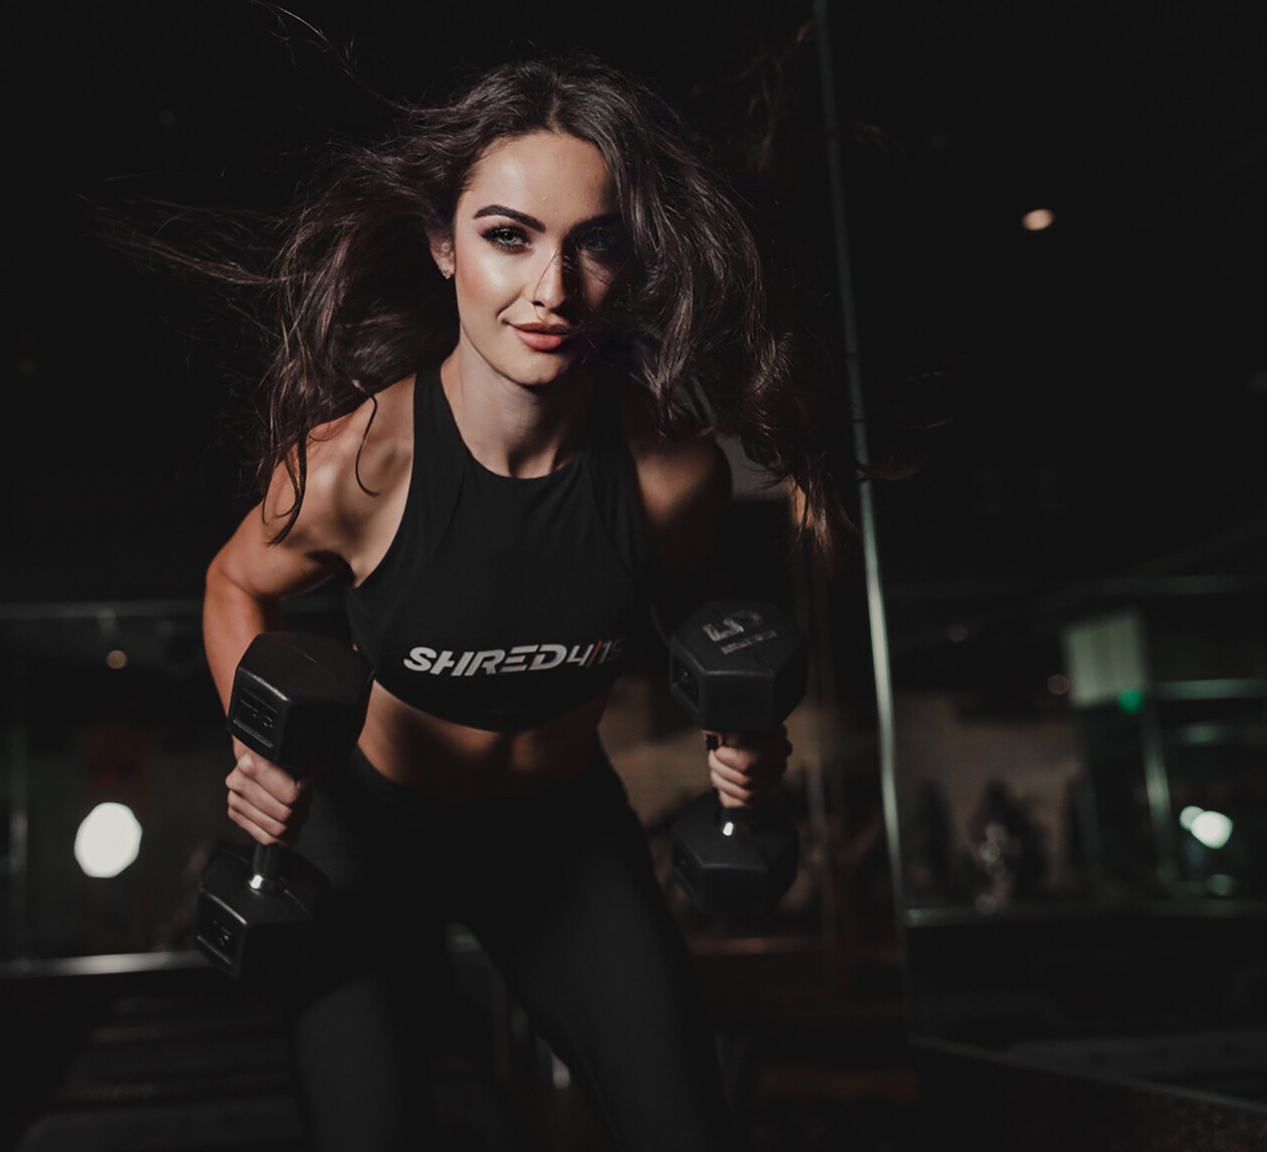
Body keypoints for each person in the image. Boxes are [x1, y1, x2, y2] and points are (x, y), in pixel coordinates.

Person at [192, 55, 852, 1152]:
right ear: (445, 247)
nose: (550, 289)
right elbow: (230, 584)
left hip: (560, 839)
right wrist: (256, 749)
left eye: (591, 243)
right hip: (368, 835)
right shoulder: (359, 466)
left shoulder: (669, 472)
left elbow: (698, 619)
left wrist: (742, 732)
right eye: (508, 236)